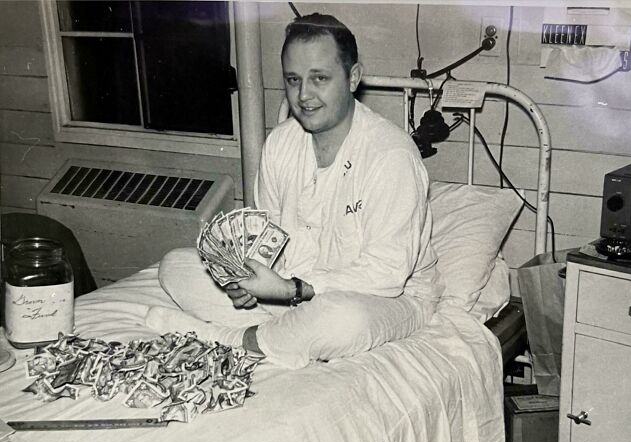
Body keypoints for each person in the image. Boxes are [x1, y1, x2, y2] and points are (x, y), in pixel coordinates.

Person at [151, 13, 443, 369]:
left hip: (386, 298)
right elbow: (268, 239)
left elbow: (387, 274)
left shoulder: (391, 156)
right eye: (293, 80)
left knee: (342, 318)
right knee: (176, 266)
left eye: (319, 78)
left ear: (353, 78)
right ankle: (280, 336)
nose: (304, 96)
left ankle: (229, 339)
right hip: (290, 292)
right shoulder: (280, 144)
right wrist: (245, 279)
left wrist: (292, 289)